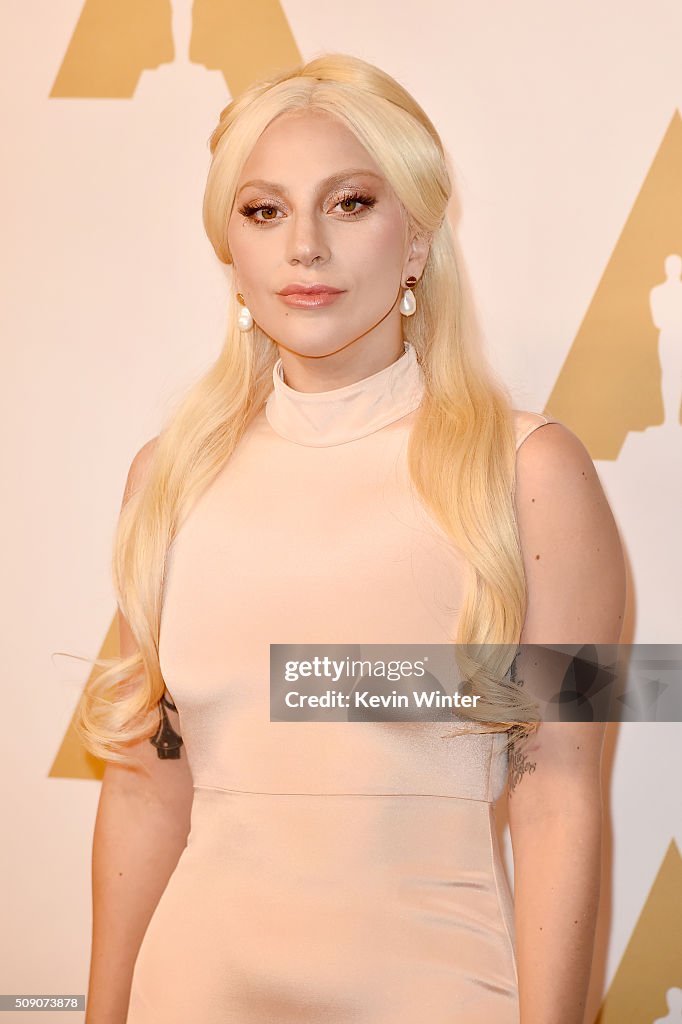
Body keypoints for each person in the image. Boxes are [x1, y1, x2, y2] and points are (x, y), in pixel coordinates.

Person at [78, 53, 627, 1024]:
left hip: (440, 992)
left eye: (350, 203)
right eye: (264, 210)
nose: (305, 249)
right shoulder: (166, 478)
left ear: (416, 240)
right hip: (193, 990)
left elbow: (560, 797)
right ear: (230, 251)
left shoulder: (531, 474)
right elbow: (143, 793)